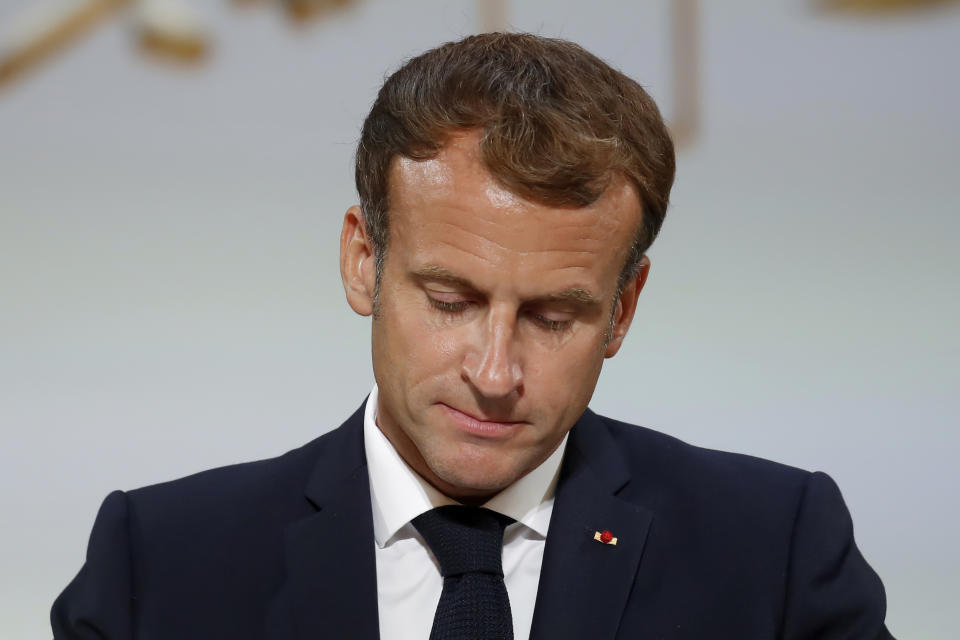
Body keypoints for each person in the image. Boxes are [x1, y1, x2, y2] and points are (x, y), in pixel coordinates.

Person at [52, 33, 894, 639]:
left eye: (552, 317)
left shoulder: (772, 551)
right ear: (362, 262)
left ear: (624, 309)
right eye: (451, 300)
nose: (496, 373)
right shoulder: (160, 564)